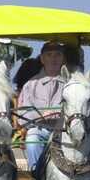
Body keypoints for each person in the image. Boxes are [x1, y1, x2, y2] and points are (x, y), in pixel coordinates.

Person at [17, 41, 67, 171]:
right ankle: (37, 177)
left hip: (64, 131)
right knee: (32, 140)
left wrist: (58, 115)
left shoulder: (70, 84)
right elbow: (23, 115)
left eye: (57, 55)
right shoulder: (30, 84)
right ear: (42, 59)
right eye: (49, 55)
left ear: (62, 58)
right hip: (40, 130)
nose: (53, 59)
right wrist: (40, 117)